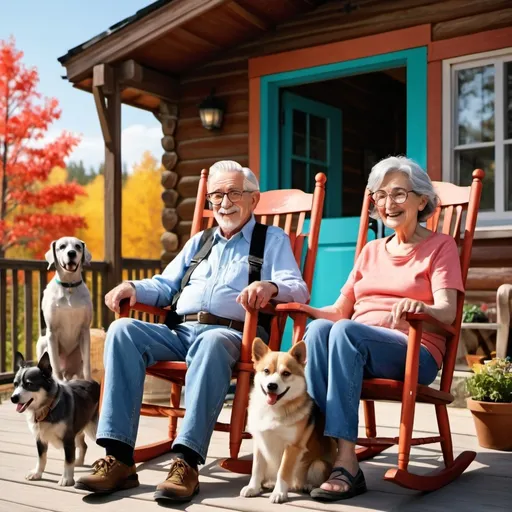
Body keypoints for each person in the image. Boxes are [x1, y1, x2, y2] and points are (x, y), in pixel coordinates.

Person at [75, 160, 309, 502]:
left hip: (230, 336)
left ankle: (186, 461)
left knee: (211, 341)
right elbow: (164, 285)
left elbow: (297, 287)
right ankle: (118, 457)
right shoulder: (200, 241)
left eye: (233, 193)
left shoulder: (270, 240)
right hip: (181, 332)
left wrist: (270, 287)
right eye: (216, 195)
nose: (224, 202)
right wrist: (132, 287)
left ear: (253, 199)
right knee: (123, 329)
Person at [301, 156, 464, 501]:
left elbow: (447, 312)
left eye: (399, 194)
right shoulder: (372, 250)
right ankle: (320, 447)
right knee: (317, 331)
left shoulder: (440, 247)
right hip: (357, 347)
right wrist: (304, 310)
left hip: (413, 351)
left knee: (345, 332)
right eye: (381, 195)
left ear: (422, 200)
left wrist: (422, 308)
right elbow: (339, 310)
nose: (388, 204)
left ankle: (347, 465)